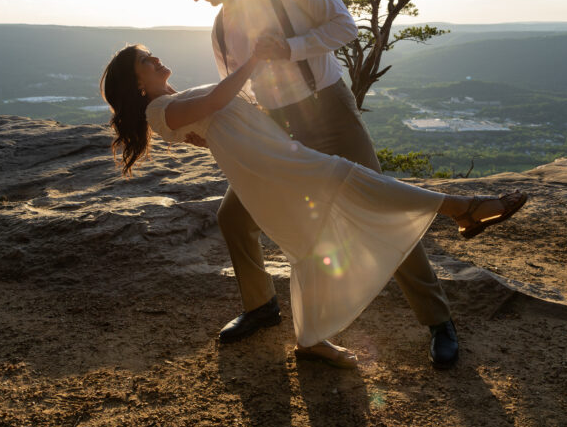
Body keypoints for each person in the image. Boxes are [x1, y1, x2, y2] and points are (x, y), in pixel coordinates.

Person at [101, 43, 527, 368]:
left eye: (151, 54)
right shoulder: (160, 110)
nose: (155, 59)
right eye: (146, 61)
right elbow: (215, 104)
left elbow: (215, 117)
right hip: (274, 168)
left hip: (280, 157)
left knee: (311, 238)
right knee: (355, 183)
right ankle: (461, 208)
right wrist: (253, 60)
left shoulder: (173, 102)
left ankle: (309, 339)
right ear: (137, 84)